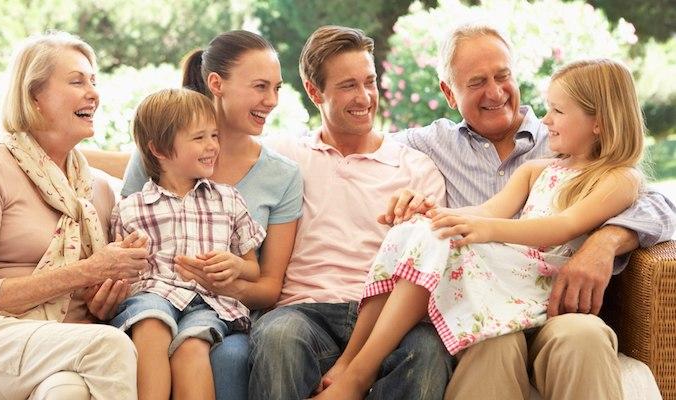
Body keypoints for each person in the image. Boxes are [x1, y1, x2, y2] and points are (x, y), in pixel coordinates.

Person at [314, 58, 646, 399]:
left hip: (546, 286)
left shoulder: (619, 178)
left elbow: (564, 226)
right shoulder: (537, 171)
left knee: (436, 239)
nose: (547, 120)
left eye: (558, 111)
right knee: (420, 231)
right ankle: (351, 362)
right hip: (511, 282)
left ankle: (357, 376)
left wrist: (485, 229)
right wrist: (433, 214)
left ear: (599, 123)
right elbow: (487, 210)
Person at [382, 23, 675, 400]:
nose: (495, 92)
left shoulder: (560, 145)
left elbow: (659, 205)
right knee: (492, 343)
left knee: (581, 335)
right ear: (448, 93)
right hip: (491, 309)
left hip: (559, 307)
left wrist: (605, 242)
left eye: (503, 75)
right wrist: (426, 210)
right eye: (476, 83)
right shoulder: (428, 144)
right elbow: (361, 142)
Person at [193, 25, 450, 400]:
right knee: (279, 336)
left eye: (370, 82)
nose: (364, 97)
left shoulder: (416, 168)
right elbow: (197, 151)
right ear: (315, 92)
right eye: (348, 86)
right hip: (304, 313)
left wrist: (422, 212)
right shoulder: (284, 157)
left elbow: (431, 264)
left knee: (428, 350)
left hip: (385, 320)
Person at [116, 30, 303, 400]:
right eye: (260, 87)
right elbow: (123, 251)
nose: (272, 100)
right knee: (150, 327)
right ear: (216, 83)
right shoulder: (154, 160)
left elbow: (268, 286)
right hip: (155, 298)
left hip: (222, 309)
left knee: (221, 353)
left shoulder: (280, 175)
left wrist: (227, 278)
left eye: (277, 88)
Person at [0, 31, 150, 400]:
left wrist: (104, 298)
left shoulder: (98, 189)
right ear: (34, 96)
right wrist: (88, 270)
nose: (93, 93)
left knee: (70, 391)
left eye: (94, 81)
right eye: (76, 81)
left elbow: (94, 300)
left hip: (63, 345)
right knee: (110, 346)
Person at [110, 87, 266, 400]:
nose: (212, 146)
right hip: (154, 295)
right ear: (160, 150)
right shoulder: (132, 207)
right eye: (199, 138)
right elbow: (118, 275)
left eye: (214, 136)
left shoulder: (228, 200)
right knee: (151, 325)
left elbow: (253, 270)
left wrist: (235, 265)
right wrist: (130, 258)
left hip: (208, 302)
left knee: (192, 348)